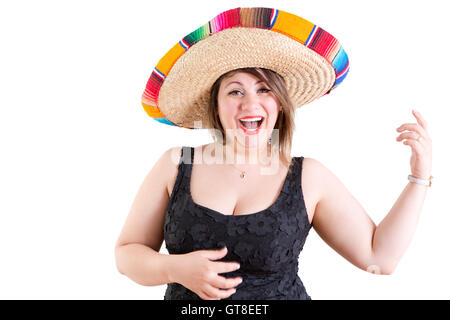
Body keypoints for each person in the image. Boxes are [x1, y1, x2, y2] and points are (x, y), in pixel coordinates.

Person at [114, 7, 433, 300]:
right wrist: (176, 269)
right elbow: (126, 255)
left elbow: (380, 257)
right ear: (216, 105)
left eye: (264, 89)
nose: (250, 104)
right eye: (235, 90)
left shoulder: (309, 177)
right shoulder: (176, 164)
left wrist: (419, 176)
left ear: (279, 103)